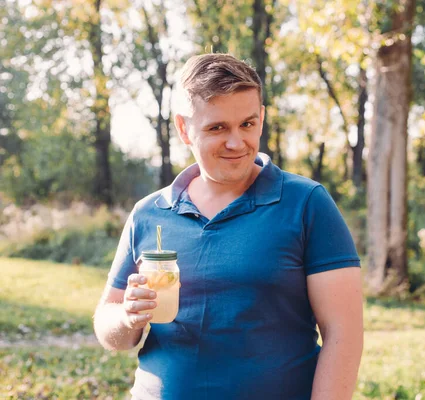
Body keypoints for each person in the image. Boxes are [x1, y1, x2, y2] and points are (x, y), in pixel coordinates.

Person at [93, 53, 363, 400]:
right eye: (217, 127)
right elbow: (109, 328)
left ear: (261, 118)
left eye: (247, 124)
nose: (236, 143)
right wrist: (128, 318)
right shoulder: (149, 213)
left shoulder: (307, 203)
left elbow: (344, 332)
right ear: (183, 129)